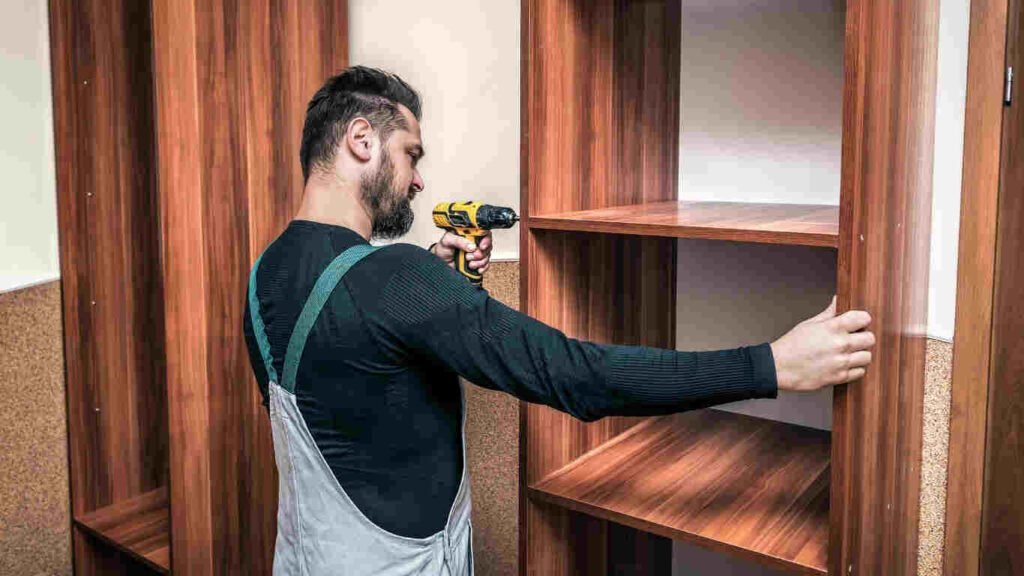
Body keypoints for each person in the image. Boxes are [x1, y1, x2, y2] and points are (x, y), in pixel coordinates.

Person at [242, 66, 875, 576]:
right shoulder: (394, 280)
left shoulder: (264, 275)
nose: (417, 178)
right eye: (410, 153)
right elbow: (574, 375)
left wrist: (432, 288)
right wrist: (771, 364)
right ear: (360, 139)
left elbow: (347, 391)